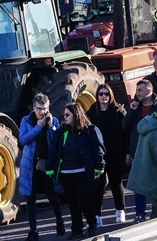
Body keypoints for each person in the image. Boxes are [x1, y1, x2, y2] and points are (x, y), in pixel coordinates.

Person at [48, 103, 106, 238]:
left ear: (76, 115)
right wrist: (51, 169)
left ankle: (92, 223)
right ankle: (77, 229)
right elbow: (54, 151)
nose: (64, 117)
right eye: (64, 115)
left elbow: (99, 149)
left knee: (83, 200)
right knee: (73, 203)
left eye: (67, 115)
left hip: (84, 173)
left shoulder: (90, 130)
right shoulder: (61, 132)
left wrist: (99, 167)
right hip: (66, 173)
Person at [21, 94, 66, 240]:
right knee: (30, 198)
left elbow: (57, 141)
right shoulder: (26, 120)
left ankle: (59, 221)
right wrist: (38, 128)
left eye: (45, 109)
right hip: (30, 164)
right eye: (39, 109)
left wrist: (51, 125)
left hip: (47, 164)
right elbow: (23, 140)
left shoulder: (54, 121)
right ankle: (33, 231)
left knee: (51, 194)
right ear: (34, 108)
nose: (42, 112)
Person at [87, 84, 127, 225]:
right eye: (101, 94)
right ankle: (97, 216)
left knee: (116, 184)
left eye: (106, 94)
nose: (104, 97)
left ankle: (120, 211)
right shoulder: (92, 112)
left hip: (116, 153)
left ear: (111, 96)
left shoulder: (118, 111)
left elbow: (125, 133)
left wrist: (127, 152)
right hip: (99, 155)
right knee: (98, 186)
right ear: (97, 96)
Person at [123, 79, 157, 222]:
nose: (137, 93)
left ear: (149, 91)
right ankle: (140, 213)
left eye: (140, 90)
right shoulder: (135, 107)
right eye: (137, 91)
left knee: (156, 182)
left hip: (154, 150)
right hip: (138, 149)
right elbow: (125, 127)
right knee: (139, 184)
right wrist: (132, 110)